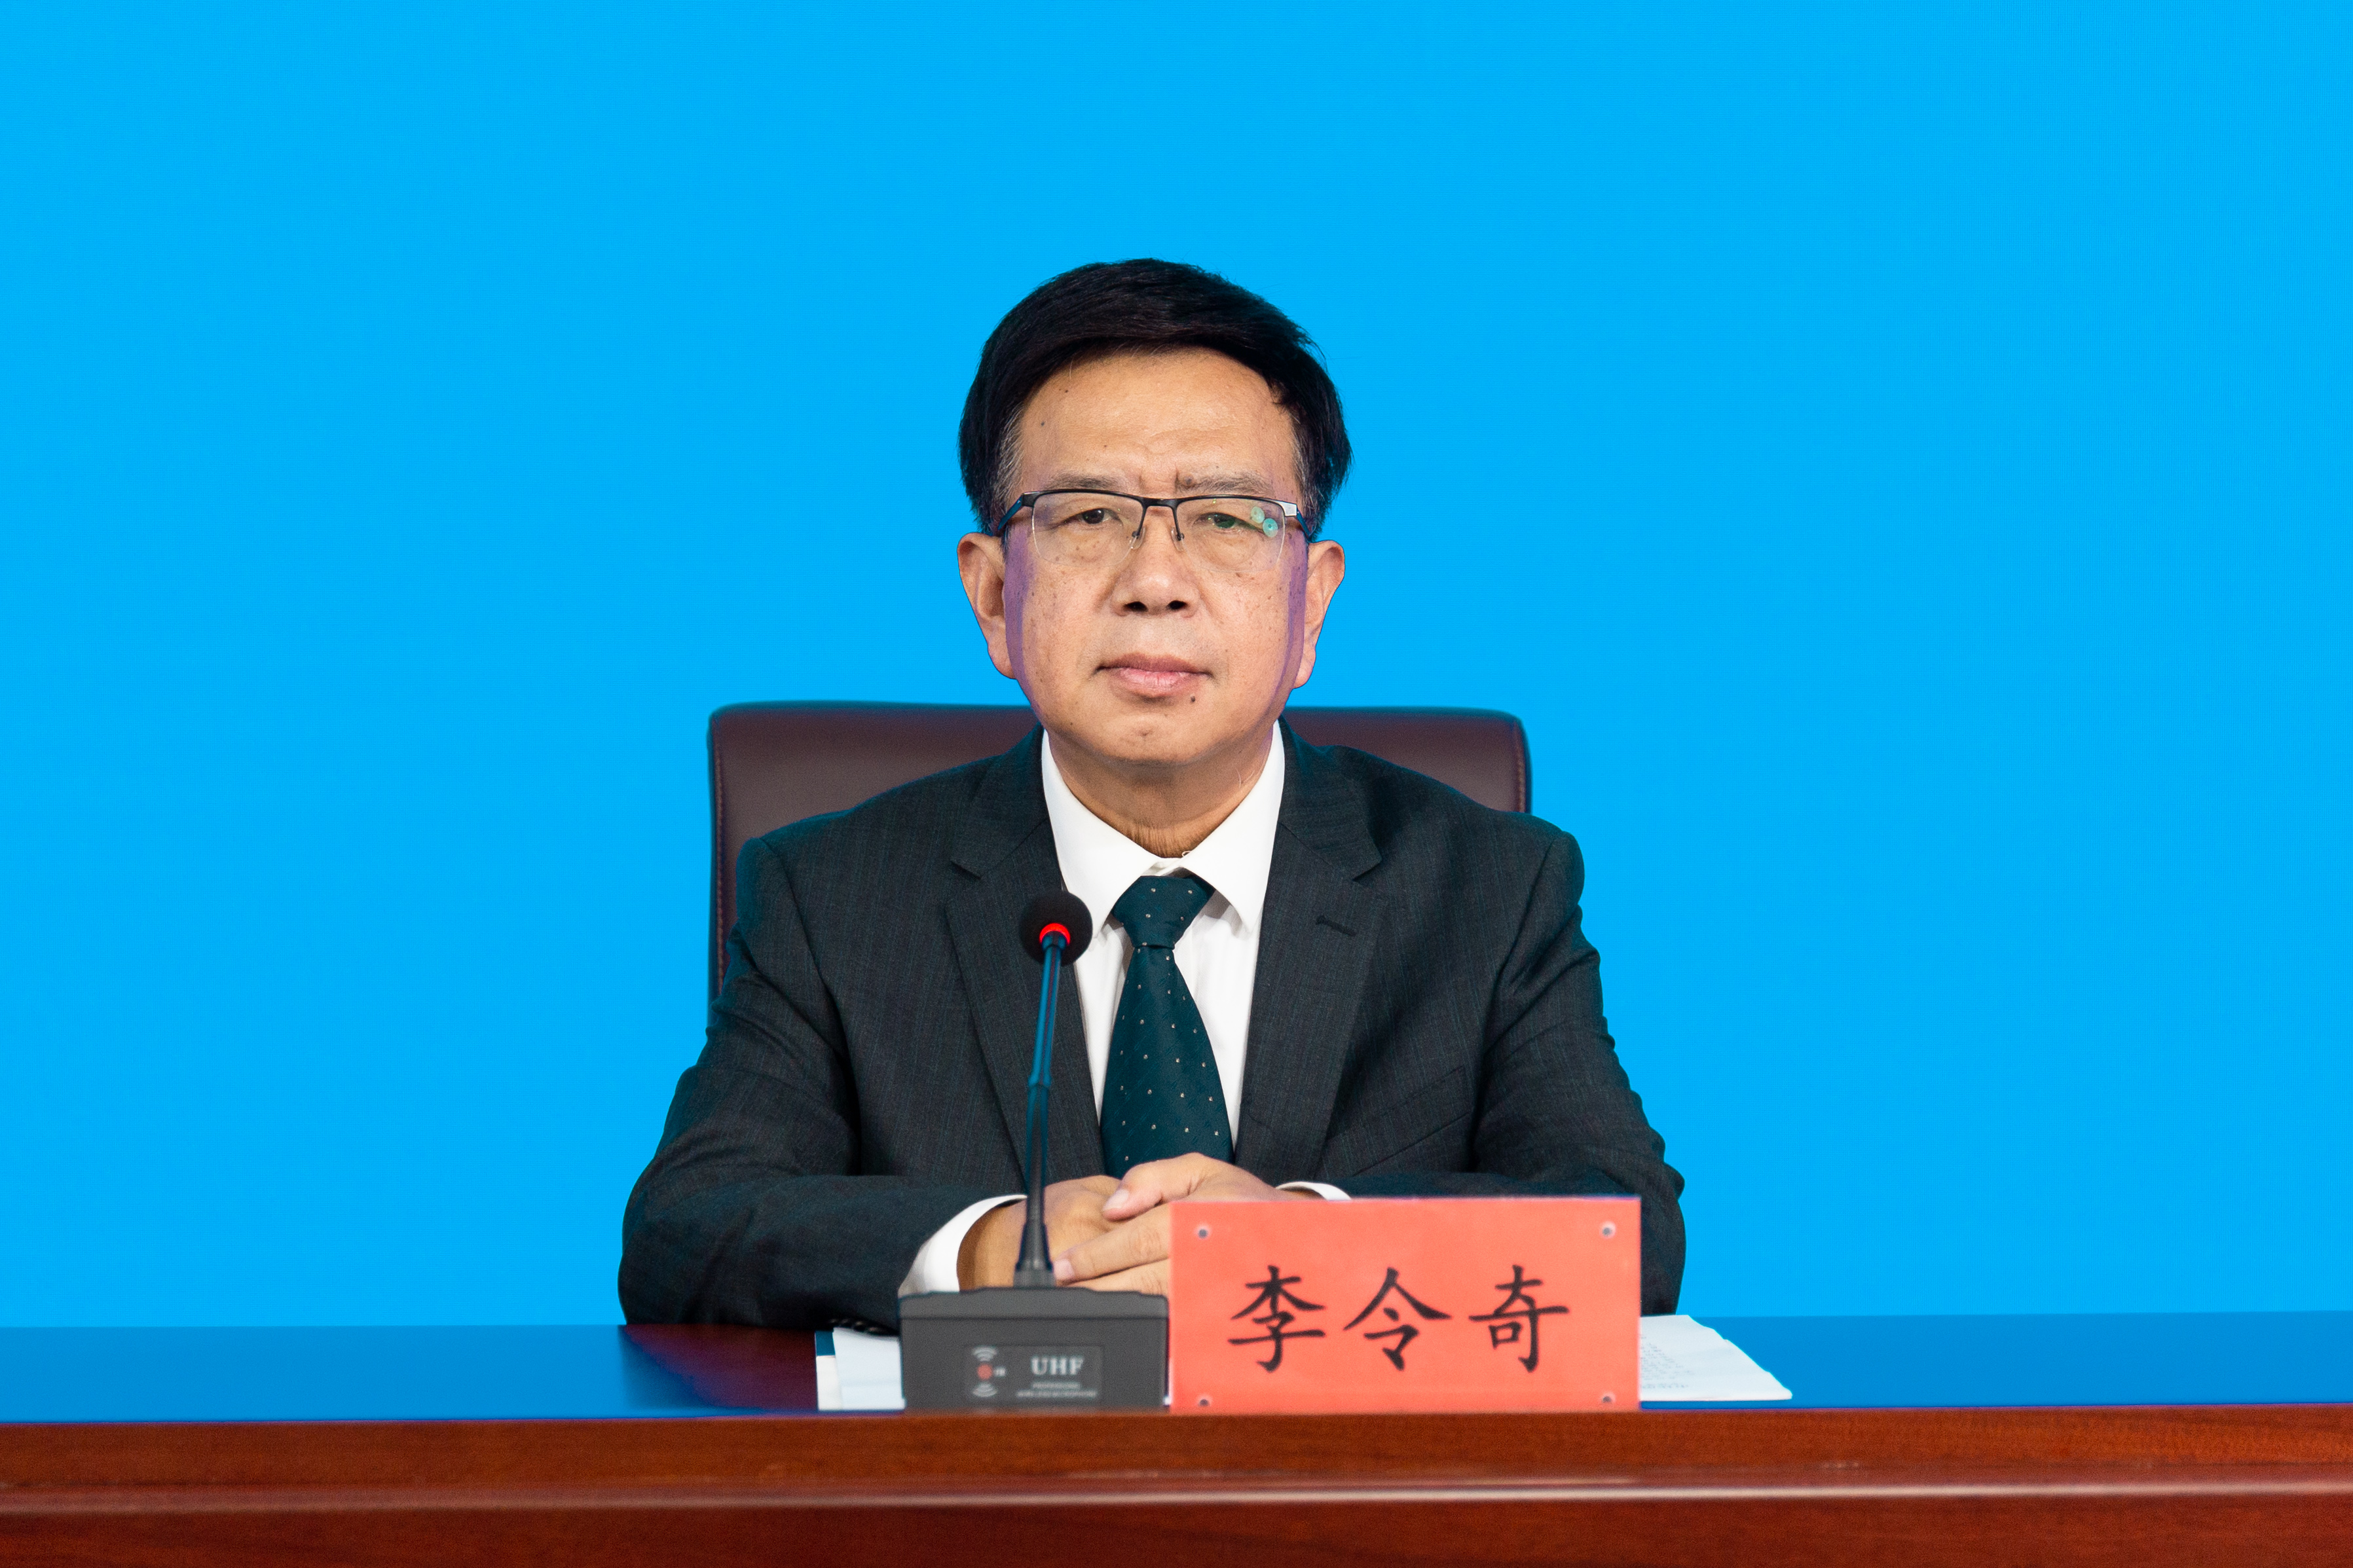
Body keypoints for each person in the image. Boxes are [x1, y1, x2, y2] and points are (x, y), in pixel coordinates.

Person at [620, 260, 1684, 1330]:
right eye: (1088, 515)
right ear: (993, 594)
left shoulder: (1488, 887)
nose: (1155, 582)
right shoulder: (830, 894)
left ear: (1311, 602)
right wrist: (991, 1246)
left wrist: (1298, 1242)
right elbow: (686, 1230)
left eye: (1225, 518)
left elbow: (1626, 1230)